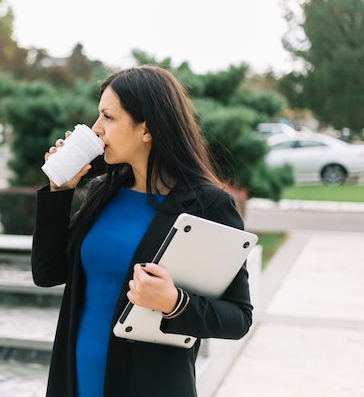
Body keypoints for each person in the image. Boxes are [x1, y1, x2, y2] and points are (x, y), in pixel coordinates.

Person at [31, 65, 253, 397]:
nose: (96, 129)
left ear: (145, 128)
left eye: (108, 116)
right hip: (75, 381)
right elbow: (47, 272)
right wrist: (59, 191)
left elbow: (239, 317)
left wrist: (174, 302)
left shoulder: (207, 205)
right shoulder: (103, 191)